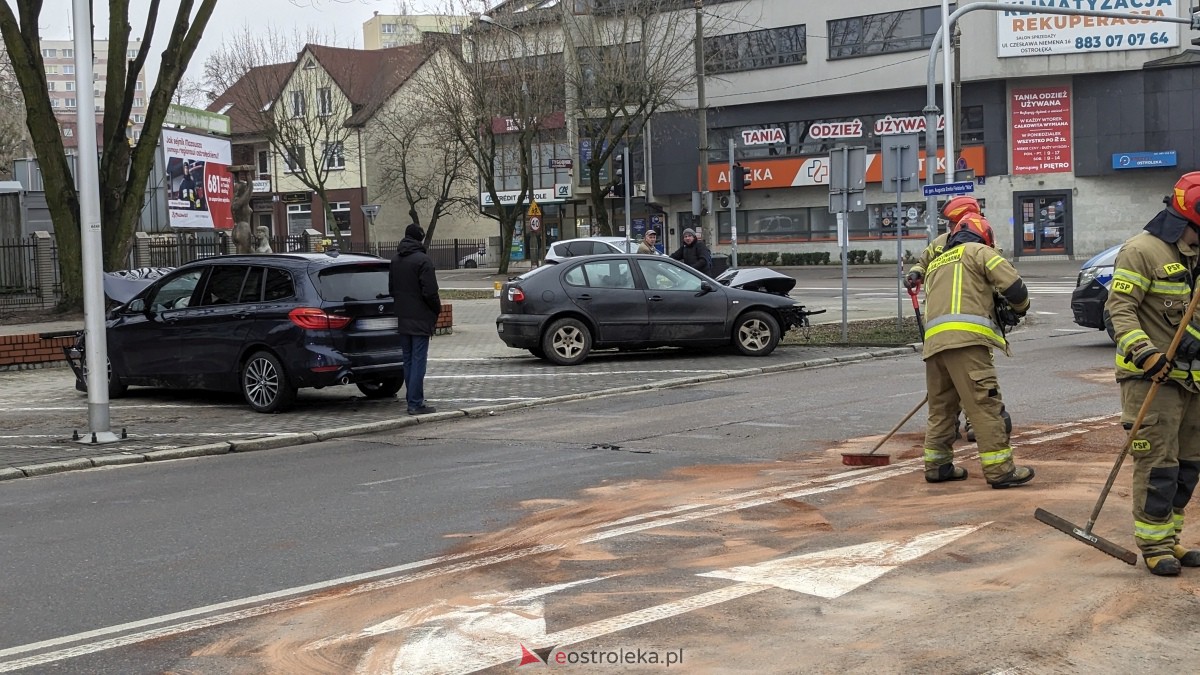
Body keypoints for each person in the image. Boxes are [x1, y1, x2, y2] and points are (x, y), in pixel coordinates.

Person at [1104, 172, 1200, 576]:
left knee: (1188, 466)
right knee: (1158, 466)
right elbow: (1119, 309)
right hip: (1153, 379)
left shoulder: (1196, 254)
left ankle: (1172, 538)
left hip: (1192, 381)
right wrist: (1146, 354)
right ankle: (1154, 544)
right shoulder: (1142, 251)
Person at [920, 212, 1033, 489]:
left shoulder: (936, 264)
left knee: (942, 408)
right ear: (985, 237)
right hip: (967, 343)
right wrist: (1019, 309)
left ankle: (938, 466)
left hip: (934, 346)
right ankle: (1000, 471)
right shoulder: (980, 252)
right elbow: (1015, 288)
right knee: (984, 405)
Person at [389, 223, 441, 415]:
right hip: (420, 317)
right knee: (419, 360)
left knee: (408, 360)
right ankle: (415, 403)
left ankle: (411, 399)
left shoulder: (395, 260)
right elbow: (430, 293)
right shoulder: (423, 261)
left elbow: (392, 289)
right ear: (419, 239)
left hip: (403, 317)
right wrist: (436, 311)